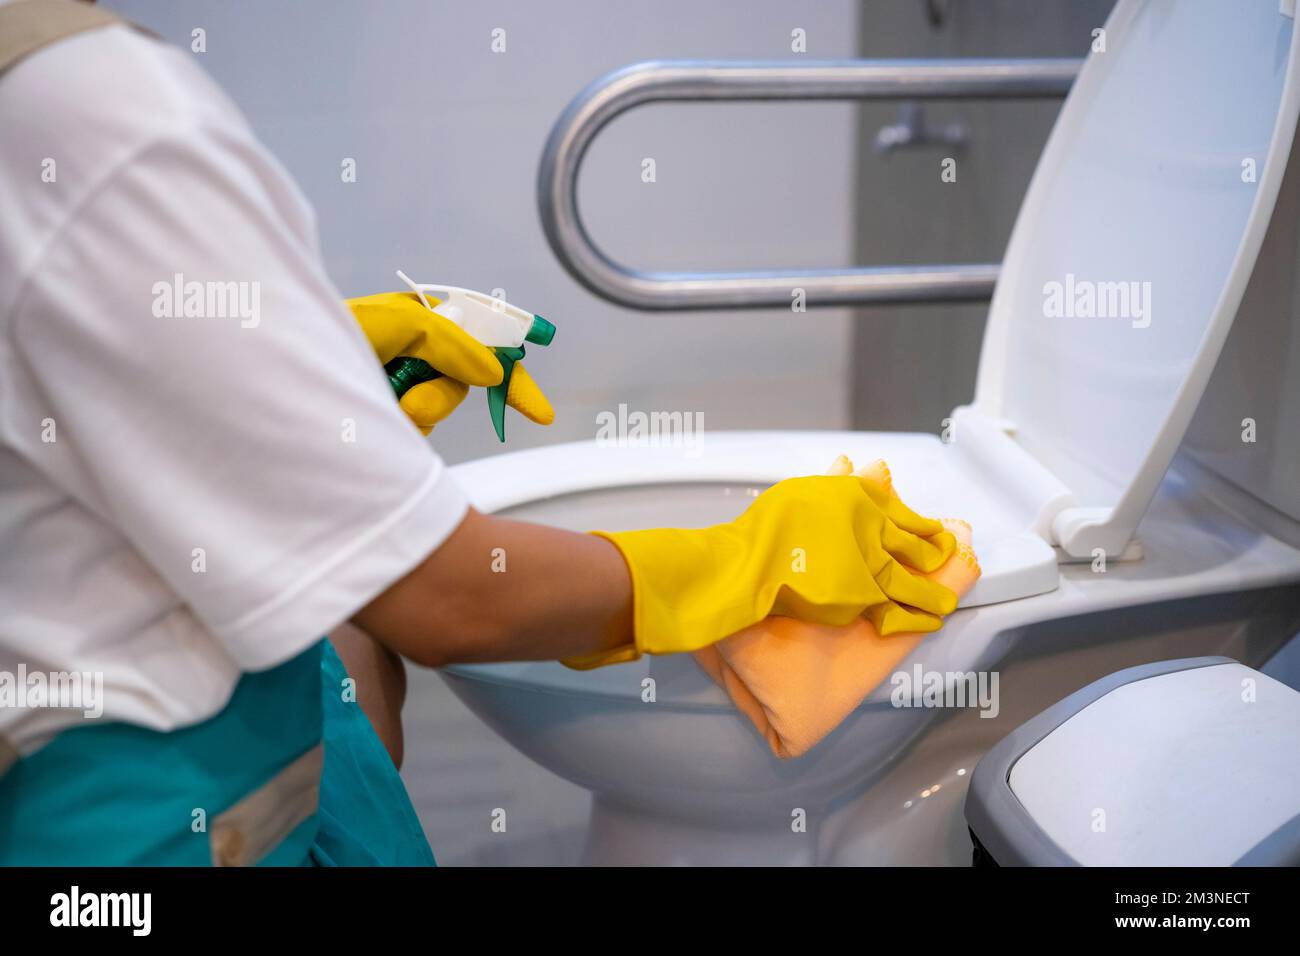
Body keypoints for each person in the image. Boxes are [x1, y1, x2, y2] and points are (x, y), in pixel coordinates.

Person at [0, 0, 958, 865]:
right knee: (354, 617)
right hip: (119, 823)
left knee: (343, 625)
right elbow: (447, 600)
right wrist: (746, 560)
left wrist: (288, 373)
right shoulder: (91, 103)